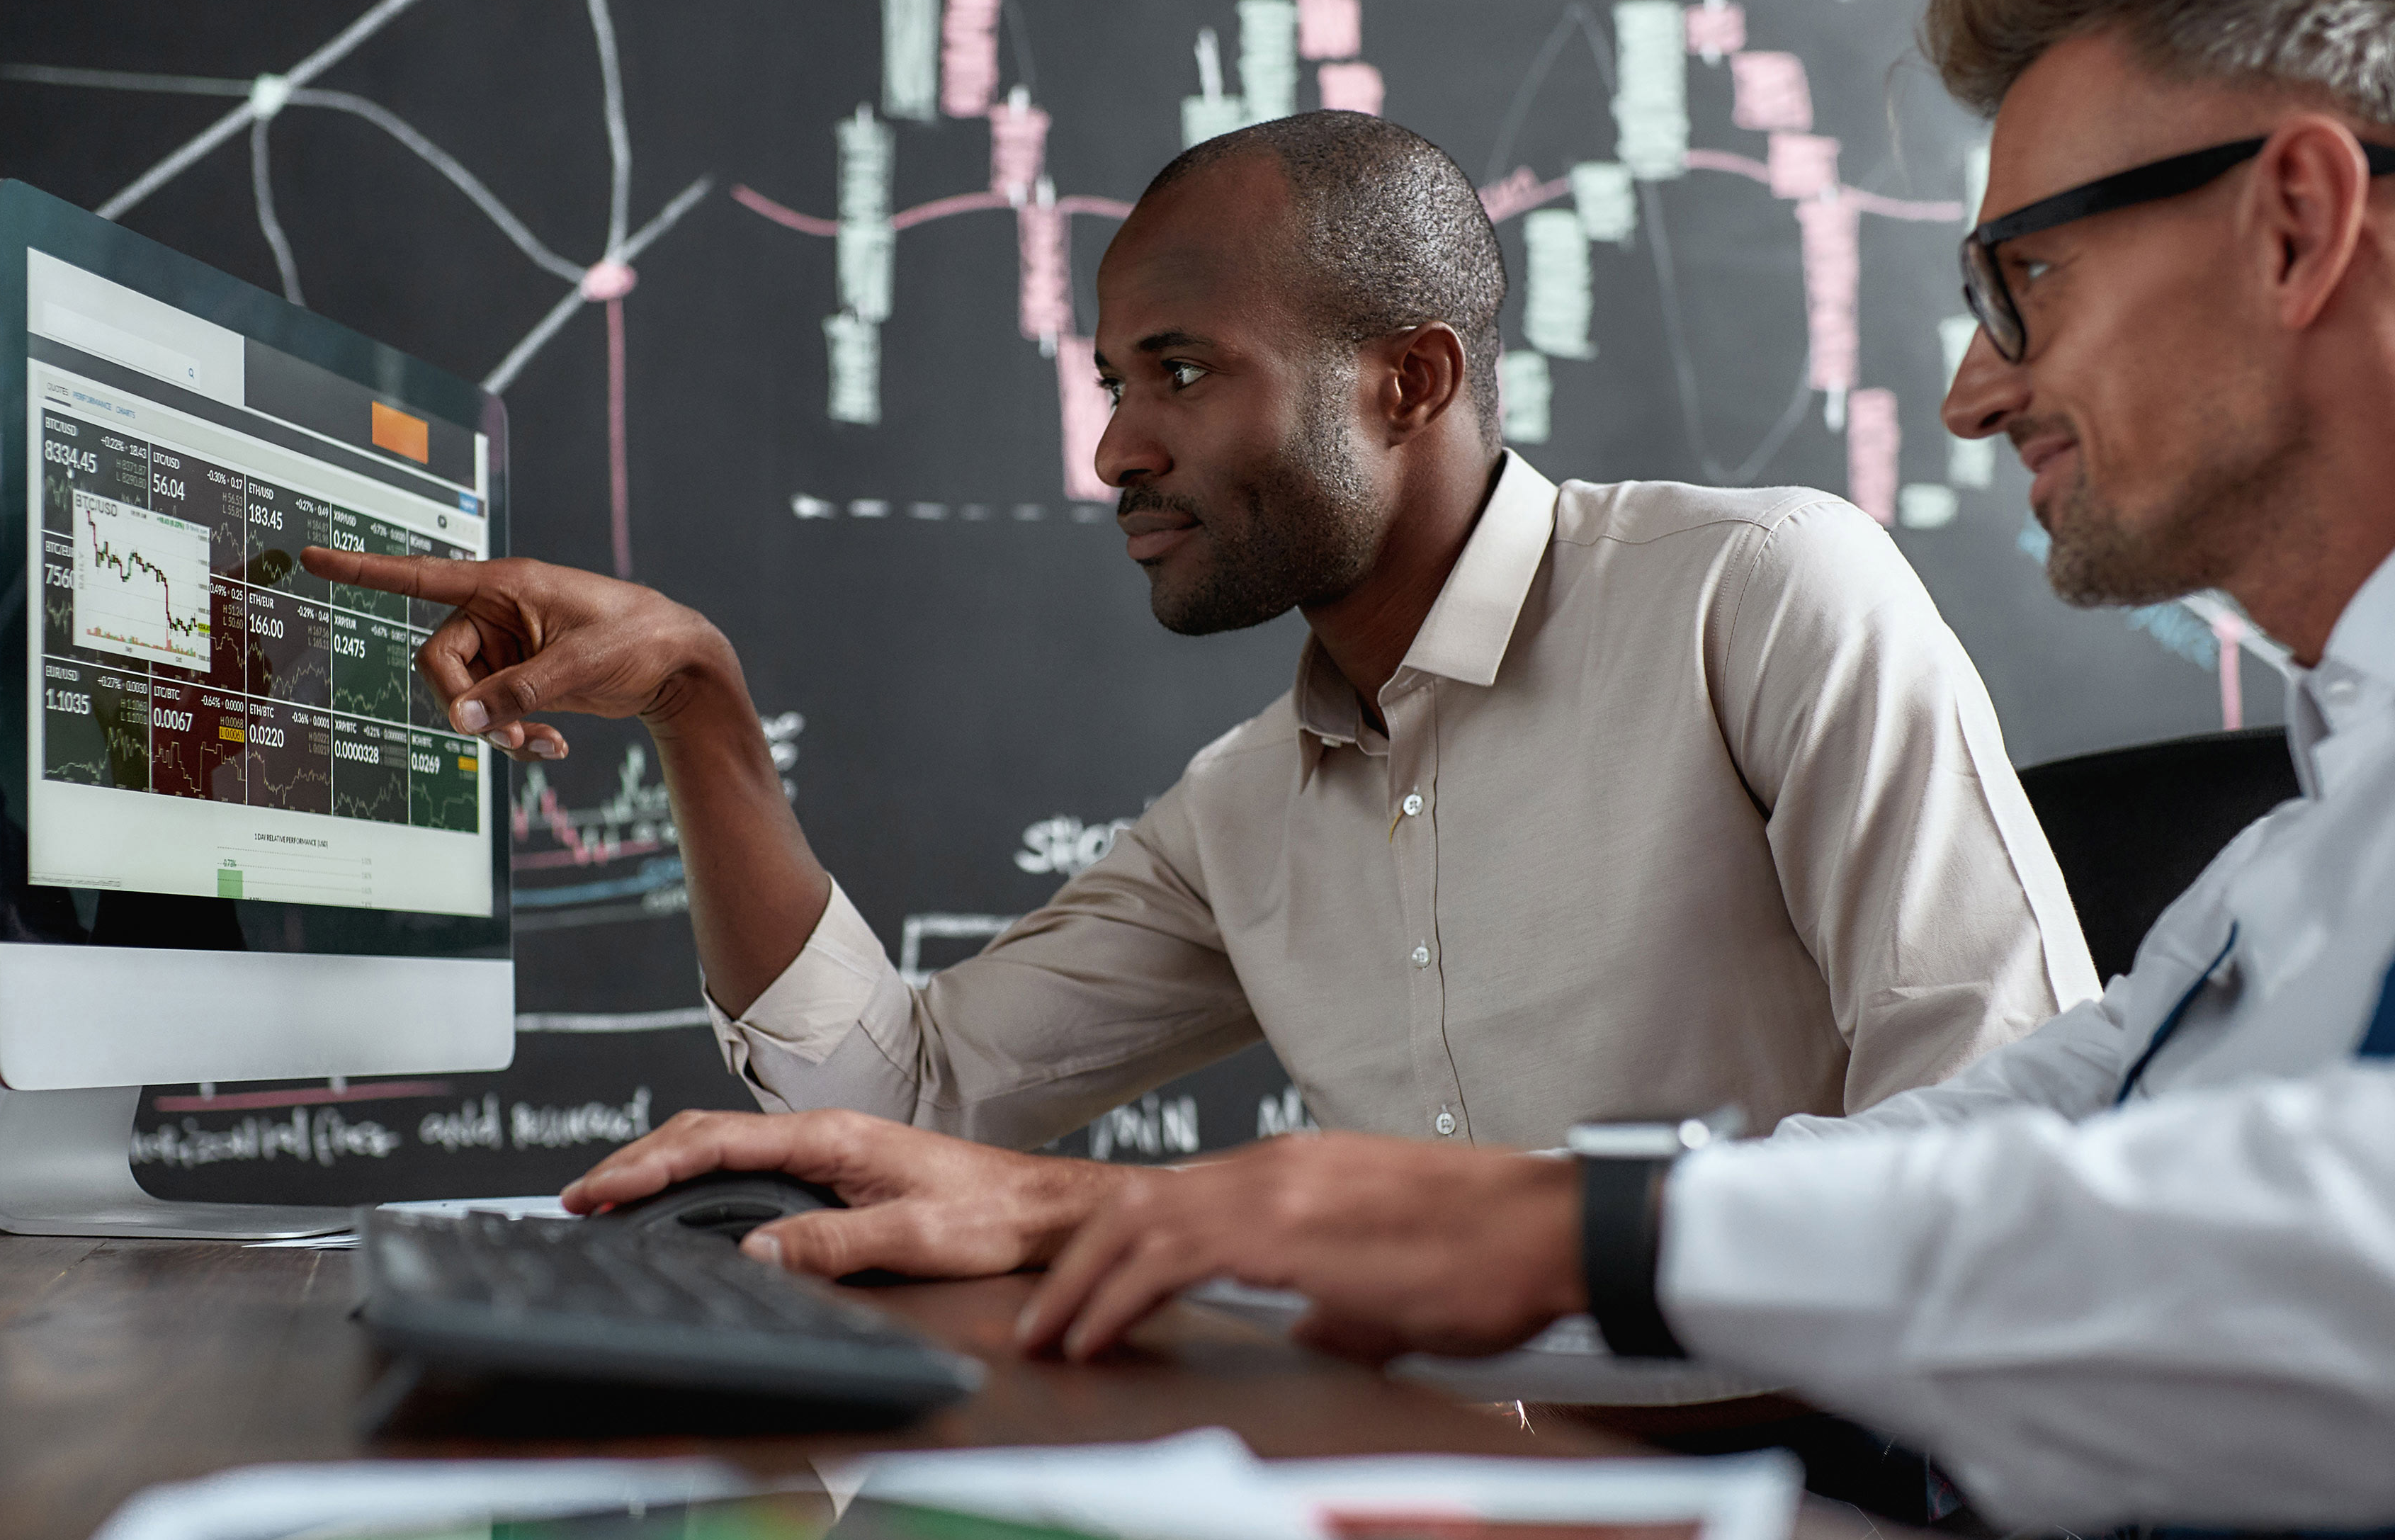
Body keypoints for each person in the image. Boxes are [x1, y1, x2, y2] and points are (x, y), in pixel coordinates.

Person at [984, 0, 2395, 1540]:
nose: (1973, 385)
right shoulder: (2302, 857)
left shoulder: (1756, 592)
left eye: (2029, 277)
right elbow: (1997, 1148)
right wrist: (1364, 1235)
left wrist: (1578, 1242)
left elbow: (2320, 1261)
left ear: (2298, 223)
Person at [310, 113, 2085, 1188]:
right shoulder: (1250, 811)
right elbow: (904, 1094)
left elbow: (2009, 1161)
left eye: (1181, 370)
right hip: (1412, 1501)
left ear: (1408, 380)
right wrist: (701, 701)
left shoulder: (1765, 596)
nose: (1115, 452)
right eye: (1112, 382)